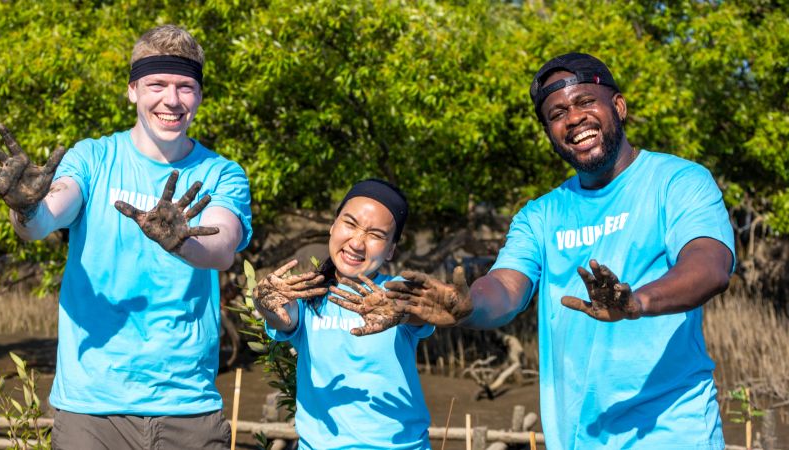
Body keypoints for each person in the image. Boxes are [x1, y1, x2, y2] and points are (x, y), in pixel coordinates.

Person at [386, 53, 735, 449]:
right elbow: (505, 287)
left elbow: (709, 266)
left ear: (618, 107)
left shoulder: (678, 181)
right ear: (550, 132)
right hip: (574, 438)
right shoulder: (539, 215)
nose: (573, 119)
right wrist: (466, 306)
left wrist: (637, 302)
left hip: (673, 433)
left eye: (585, 102)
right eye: (557, 113)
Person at [0, 25, 252, 449]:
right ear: (133, 90)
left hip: (187, 404)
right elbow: (44, 221)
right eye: (157, 84)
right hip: (90, 408)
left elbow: (223, 247)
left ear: (200, 95)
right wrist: (25, 206)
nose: (171, 100)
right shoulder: (92, 158)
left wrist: (181, 242)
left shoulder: (221, 173)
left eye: (185, 87)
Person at [254, 179, 434, 450]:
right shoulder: (309, 295)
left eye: (375, 235)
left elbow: (424, 312)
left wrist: (402, 311)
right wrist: (264, 304)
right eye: (350, 224)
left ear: (391, 250)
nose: (357, 243)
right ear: (333, 225)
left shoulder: (397, 290)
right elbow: (283, 317)